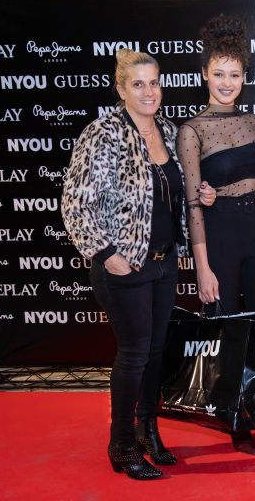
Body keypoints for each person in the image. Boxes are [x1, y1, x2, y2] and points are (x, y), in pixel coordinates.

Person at [61, 48, 216, 480]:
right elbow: (75, 204)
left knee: (155, 352)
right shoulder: (103, 133)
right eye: (139, 84)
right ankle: (122, 444)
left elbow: (171, 195)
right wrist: (107, 255)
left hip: (164, 263)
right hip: (124, 266)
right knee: (133, 354)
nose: (149, 92)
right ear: (121, 89)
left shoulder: (167, 130)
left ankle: (148, 431)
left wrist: (201, 195)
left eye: (154, 83)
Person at [177, 15, 255, 463]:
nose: (227, 82)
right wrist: (202, 268)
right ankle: (236, 419)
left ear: (245, 77)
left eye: (235, 74)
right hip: (220, 233)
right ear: (205, 74)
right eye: (219, 73)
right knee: (227, 329)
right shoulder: (192, 130)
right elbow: (193, 204)